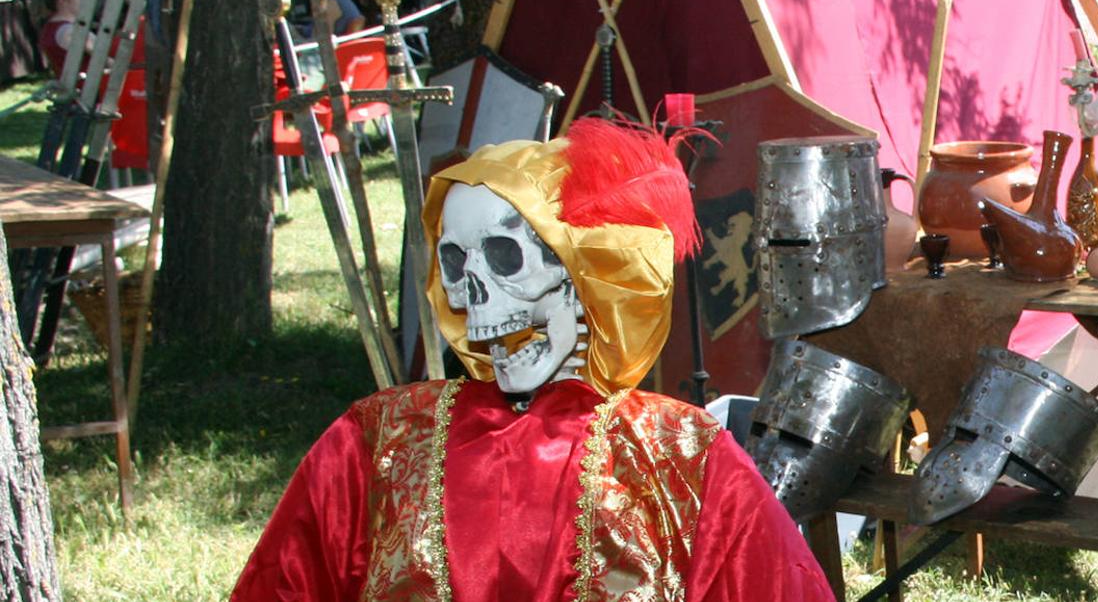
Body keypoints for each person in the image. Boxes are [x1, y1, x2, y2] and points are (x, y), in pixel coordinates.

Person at [231, 119, 836, 602]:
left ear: (584, 275)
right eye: (456, 265)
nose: (475, 298)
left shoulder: (679, 455)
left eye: (505, 258)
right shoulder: (377, 442)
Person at [38, 0, 84, 77]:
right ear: (62, 0)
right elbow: (107, 60)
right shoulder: (69, 31)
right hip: (91, 88)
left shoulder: (49, 28)